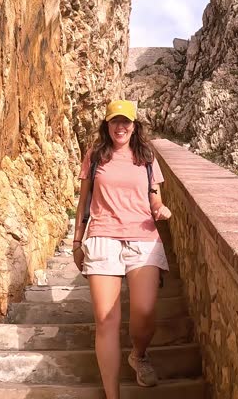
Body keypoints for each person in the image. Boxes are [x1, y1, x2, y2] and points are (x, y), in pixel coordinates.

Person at [72, 99, 172, 399]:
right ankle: (112, 395)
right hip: (103, 237)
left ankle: (138, 355)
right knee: (106, 319)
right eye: (115, 121)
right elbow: (83, 203)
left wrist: (160, 207)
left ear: (134, 125)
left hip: (143, 237)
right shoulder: (96, 156)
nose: (121, 126)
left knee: (144, 311)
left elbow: (154, 196)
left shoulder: (146, 156)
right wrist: (77, 242)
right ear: (106, 124)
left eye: (126, 121)